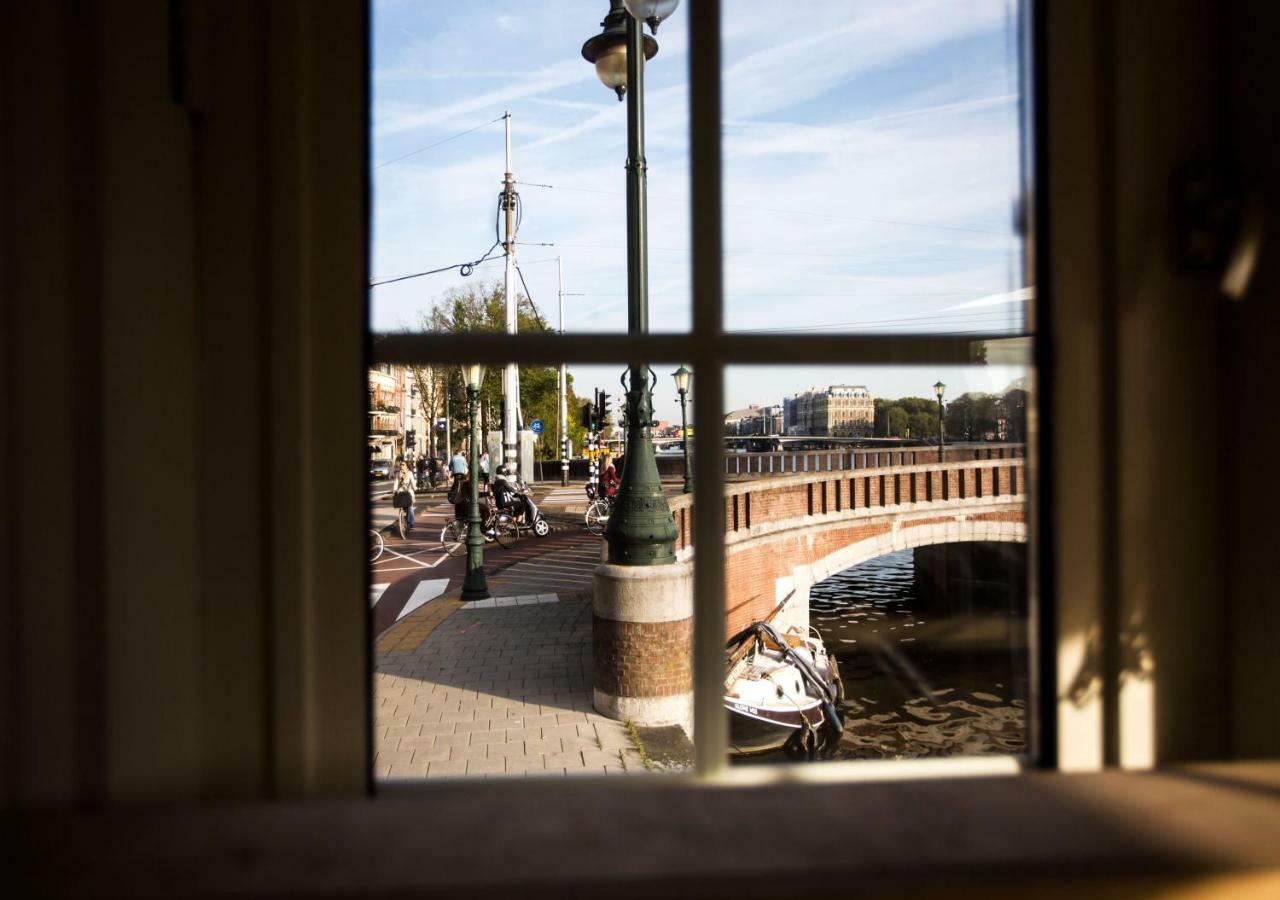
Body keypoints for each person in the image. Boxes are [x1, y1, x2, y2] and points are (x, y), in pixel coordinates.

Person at [393, 459, 417, 535]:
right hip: (401, 492)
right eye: (401, 465)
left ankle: (411, 522)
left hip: (409, 492)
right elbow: (396, 483)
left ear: (406, 466)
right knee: (400, 505)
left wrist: (415, 488)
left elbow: (413, 482)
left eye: (403, 465)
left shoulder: (410, 474)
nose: (401, 466)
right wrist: (394, 490)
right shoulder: (398, 474)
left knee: (409, 507)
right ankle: (402, 520)